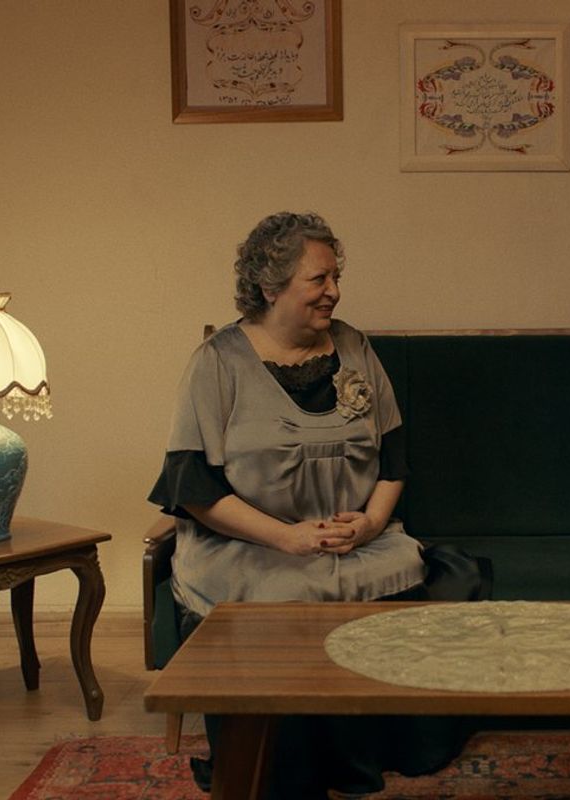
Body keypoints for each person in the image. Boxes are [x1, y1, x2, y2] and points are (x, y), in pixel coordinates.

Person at [148, 211, 467, 796]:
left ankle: (364, 757)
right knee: (284, 594)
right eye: (319, 279)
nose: (334, 291)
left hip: (350, 542)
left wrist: (370, 523)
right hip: (248, 545)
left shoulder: (354, 346)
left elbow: (393, 461)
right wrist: (286, 537)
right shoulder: (218, 362)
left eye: (336, 276)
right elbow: (194, 492)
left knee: (406, 567)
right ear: (271, 287)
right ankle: (283, 769)